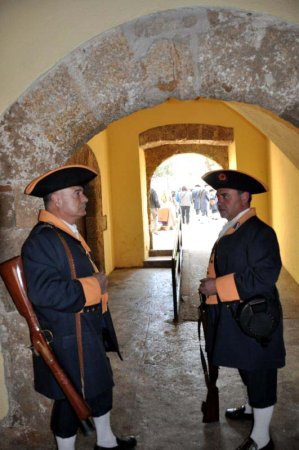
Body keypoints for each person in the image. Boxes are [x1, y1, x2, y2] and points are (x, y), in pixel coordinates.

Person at [21, 164, 137, 450]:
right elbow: (43, 292)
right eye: (78, 193)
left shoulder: (65, 233)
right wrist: (94, 286)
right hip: (68, 335)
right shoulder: (43, 240)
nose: (85, 198)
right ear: (57, 200)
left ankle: (107, 442)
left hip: (85, 329)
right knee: (69, 400)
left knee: (100, 387)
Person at [198, 170, 285, 450]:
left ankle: (262, 439)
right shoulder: (236, 226)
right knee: (247, 365)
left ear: (245, 198)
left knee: (260, 372)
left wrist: (217, 286)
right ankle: (250, 408)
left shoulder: (259, 232)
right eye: (217, 197)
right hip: (238, 314)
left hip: (256, 318)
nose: (218, 202)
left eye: (224, 196)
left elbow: (265, 275)